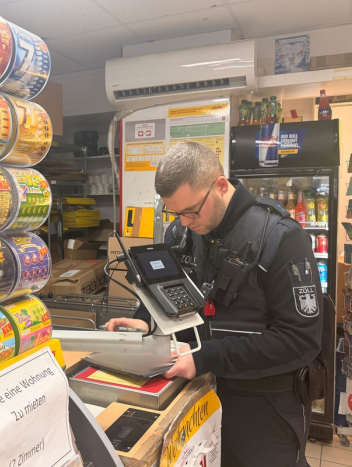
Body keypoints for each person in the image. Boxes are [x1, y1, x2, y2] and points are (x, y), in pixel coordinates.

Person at [105, 142, 323, 467]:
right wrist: (147, 321)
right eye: (175, 213)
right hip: (195, 396)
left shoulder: (281, 238)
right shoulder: (181, 233)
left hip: (264, 410)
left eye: (191, 211)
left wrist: (204, 357)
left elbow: (300, 340)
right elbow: (166, 294)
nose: (184, 221)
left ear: (221, 185)